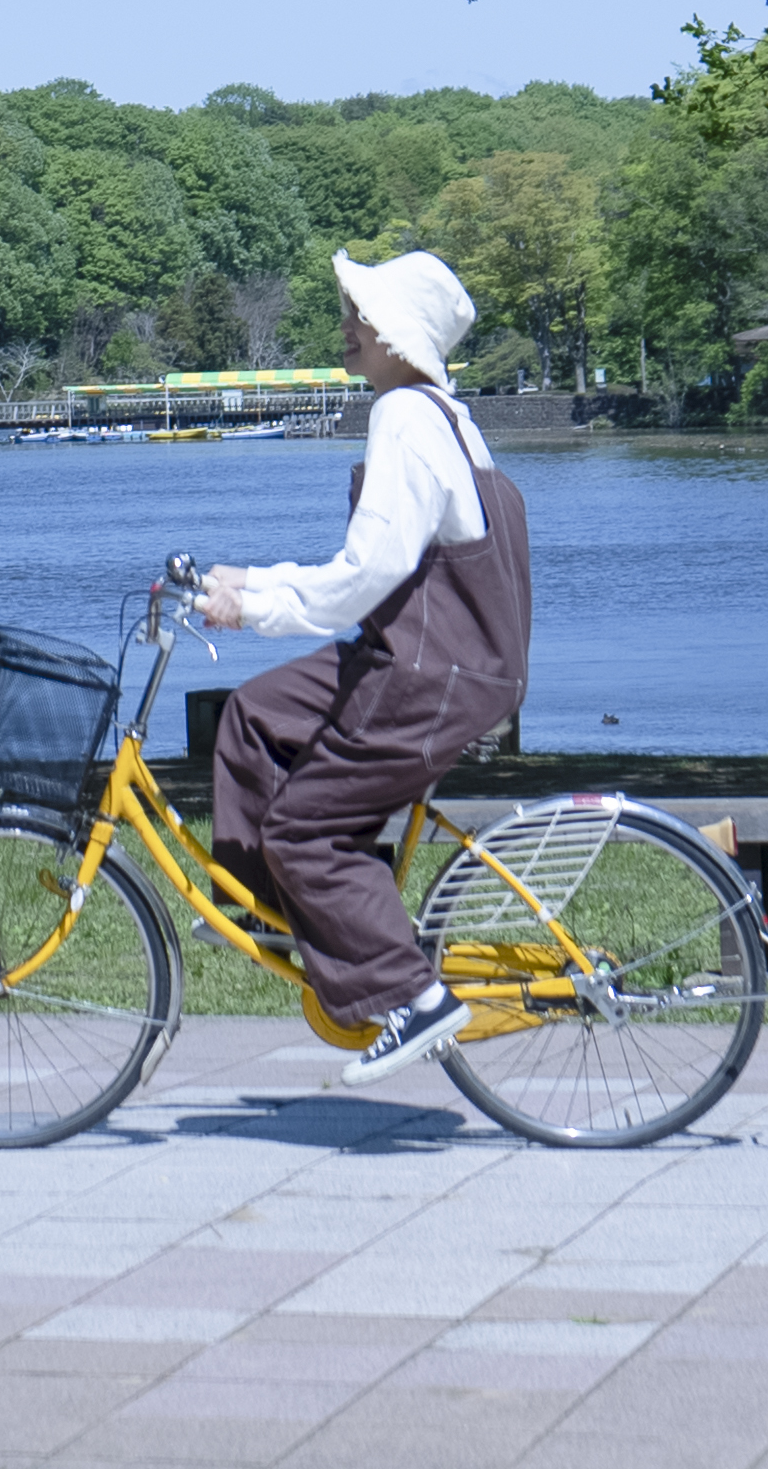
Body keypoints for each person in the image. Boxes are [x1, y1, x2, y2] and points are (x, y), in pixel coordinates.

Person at [186, 249, 530, 1085]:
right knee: (256, 714)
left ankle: (415, 997)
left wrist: (255, 605)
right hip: (433, 655)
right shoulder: (440, 414)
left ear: (396, 337)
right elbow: (381, 566)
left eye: (362, 316)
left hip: (425, 673)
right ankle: (290, 909)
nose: (348, 327)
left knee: (300, 829)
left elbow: (365, 576)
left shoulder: (405, 420)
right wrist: (249, 579)